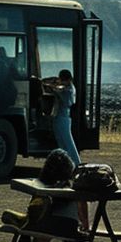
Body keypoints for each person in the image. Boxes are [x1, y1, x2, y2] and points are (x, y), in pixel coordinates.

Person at [43, 68, 87, 231]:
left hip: (62, 118)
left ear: (66, 79)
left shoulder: (68, 90)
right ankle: (70, 164)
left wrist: (53, 87)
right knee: (63, 144)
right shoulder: (68, 88)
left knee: (67, 144)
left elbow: (63, 96)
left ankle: (75, 164)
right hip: (60, 118)